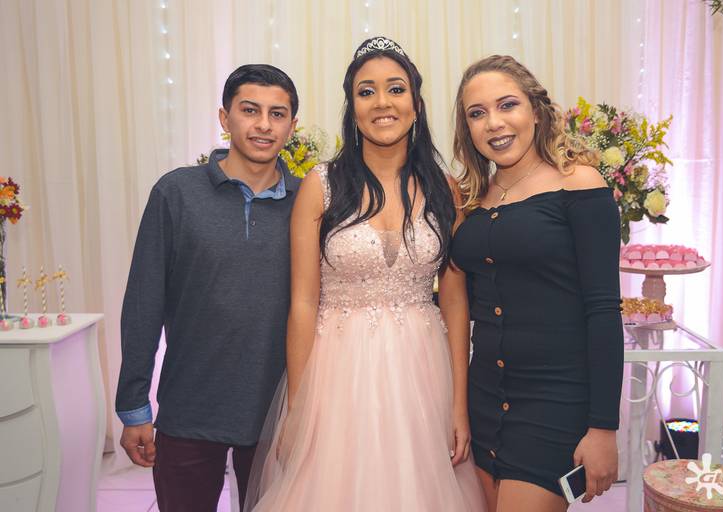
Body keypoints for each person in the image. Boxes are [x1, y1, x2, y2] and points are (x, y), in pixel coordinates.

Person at [244, 37, 486, 511]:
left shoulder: (446, 190)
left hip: (423, 371)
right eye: (366, 91)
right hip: (337, 371)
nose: (382, 103)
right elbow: (302, 303)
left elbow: (456, 301)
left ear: (416, 105)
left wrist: (458, 404)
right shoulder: (322, 185)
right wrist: (297, 408)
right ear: (352, 108)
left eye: (395, 89)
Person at [115, 64, 301, 511]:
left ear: (292, 126)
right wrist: (134, 406)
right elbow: (143, 302)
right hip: (190, 407)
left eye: (277, 114)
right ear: (224, 117)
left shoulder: (308, 201)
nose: (263, 125)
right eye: (250, 110)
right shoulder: (176, 193)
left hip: (276, 414)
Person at [450, 55, 623, 511]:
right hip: (484, 399)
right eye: (477, 113)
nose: (494, 123)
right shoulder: (473, 200)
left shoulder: (579, 184)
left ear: (536, 110)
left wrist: (604, 427)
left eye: (507, 105)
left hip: (554, 402)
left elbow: (604, 309)